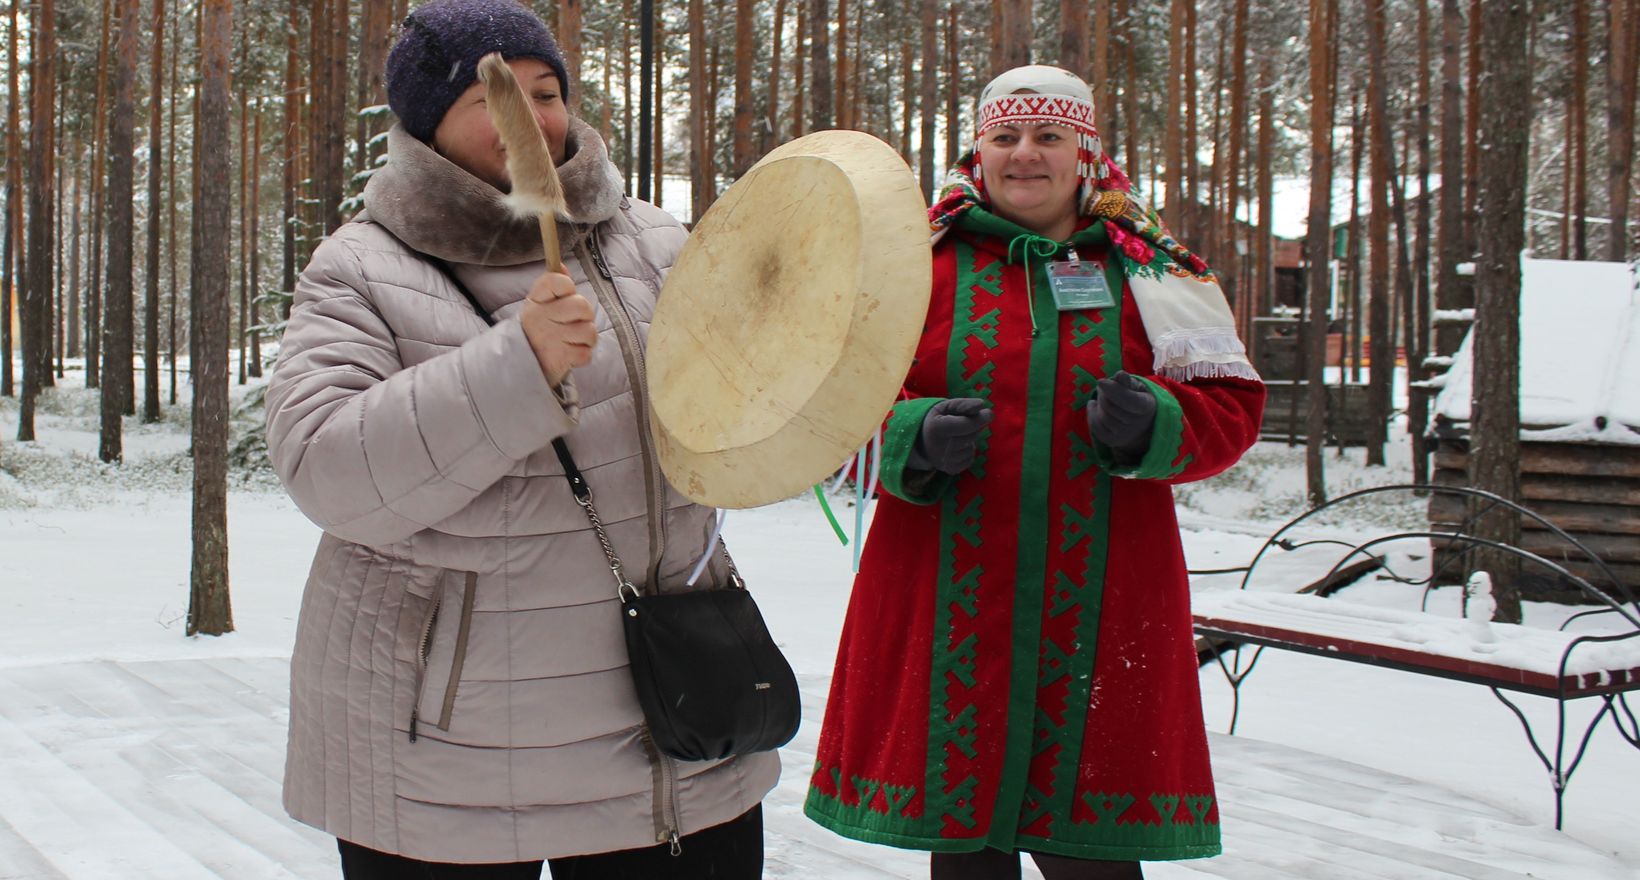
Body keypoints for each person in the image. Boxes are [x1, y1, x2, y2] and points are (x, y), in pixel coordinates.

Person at [265, 0, 776, 876]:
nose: (535, 117)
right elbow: (326, 472)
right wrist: (516, 369)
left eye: (548, 91)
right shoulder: (363, 264)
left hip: (676, 727)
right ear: (428, 125)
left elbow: (736, 405)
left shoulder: (652, 239)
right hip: (451, 755)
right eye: (494, 96)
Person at [803, 65, 1266, 880]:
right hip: (947, 596)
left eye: (1048, 137)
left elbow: (1231, 411)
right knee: (966, 846)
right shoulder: (918, 266)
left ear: (1084, 151)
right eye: (1005, 137)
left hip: (1107, 599)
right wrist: (911, 433)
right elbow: (835, 408)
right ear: (977, 150)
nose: (1025, 155)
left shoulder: (1151, 269)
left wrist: (1157, 423)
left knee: (1090, 850)